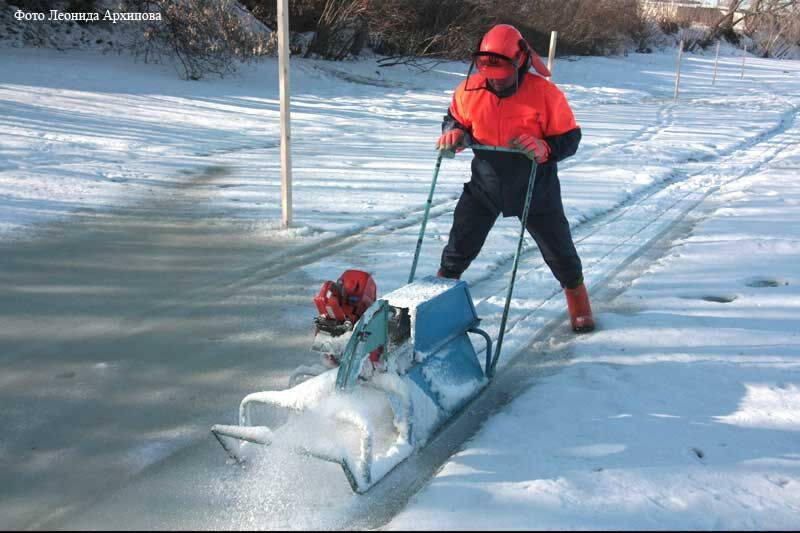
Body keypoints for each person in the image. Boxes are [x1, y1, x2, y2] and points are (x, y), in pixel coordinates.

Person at [434, 24, 595, 332]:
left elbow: (571, 137)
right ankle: (438, 300)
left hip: (535, 185)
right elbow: (455, 118)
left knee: (559, 251)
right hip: (485, 183)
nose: (495, 81)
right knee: (458, 246)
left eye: (503, 74)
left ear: (520, 62)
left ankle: (578, 301)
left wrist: (544, 146)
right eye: (488, 74)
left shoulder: (545, 94)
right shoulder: (469, 89)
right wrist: (453, 133)